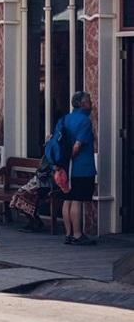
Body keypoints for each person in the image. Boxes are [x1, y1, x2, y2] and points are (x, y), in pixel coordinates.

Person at [62, 91, 97, 246]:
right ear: (82, 104)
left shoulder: (66, 118)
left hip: (66, 168)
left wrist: (63, 162)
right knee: (77, 200)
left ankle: (68, 234)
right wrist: (70, 157)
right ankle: (77, 234)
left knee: (67, 199)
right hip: (81, 167)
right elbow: (78, 144)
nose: (92, 103)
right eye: (89, 101)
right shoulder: (84, 121)